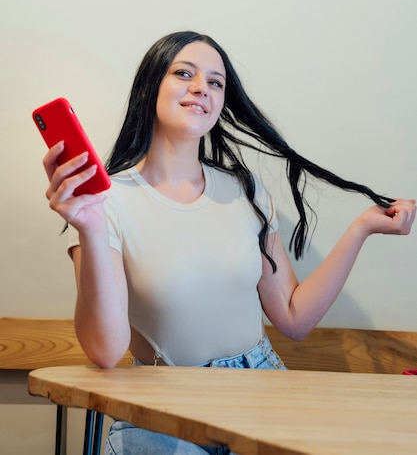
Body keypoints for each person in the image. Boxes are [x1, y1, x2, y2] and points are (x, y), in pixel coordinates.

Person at [43, 30, 415, 455]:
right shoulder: (106, 202)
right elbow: (106, 352)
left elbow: (293, 319)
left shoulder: (247, 190)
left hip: (260, 386)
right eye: (184, 73)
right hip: (162, 402)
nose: (202, 87)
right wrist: (89, 228)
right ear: (149, 87)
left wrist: (361, 228)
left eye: (216, 82)